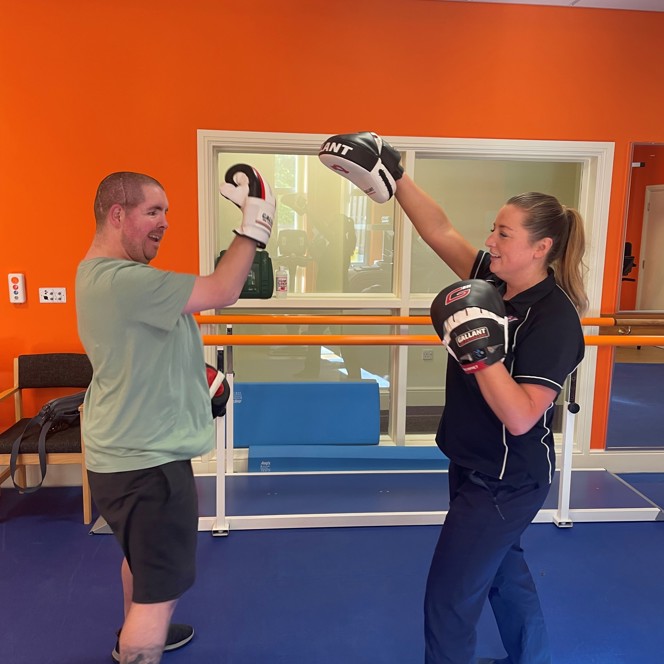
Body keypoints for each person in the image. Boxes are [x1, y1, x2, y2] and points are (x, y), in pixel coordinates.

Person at [319, 132, 587, 664]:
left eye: (504, 233)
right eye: (493, 228)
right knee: (504, 577)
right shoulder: (491, 282)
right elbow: (438, 229)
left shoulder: (555, 320)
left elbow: (519, 416)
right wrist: (396, 177)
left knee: (449, 598)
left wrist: (482, 357)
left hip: (507, 478)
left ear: (541, 248)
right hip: (470, 461)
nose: (491, 241)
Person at [75, 166, 274, 664]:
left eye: (167, 212)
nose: (165, 222)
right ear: (117, 214)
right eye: (153, 211)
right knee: (158, 592)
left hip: (119, 455)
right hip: (147, 465)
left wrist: (195, 378)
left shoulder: (93, 274)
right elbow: (223, 289)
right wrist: (255, 222)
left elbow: (141, 349)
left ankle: (138, 633)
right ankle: (140, 643)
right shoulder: (126, 280)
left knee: (142, 563)